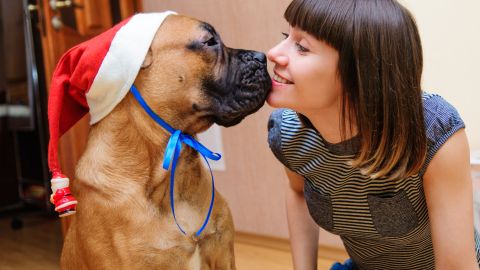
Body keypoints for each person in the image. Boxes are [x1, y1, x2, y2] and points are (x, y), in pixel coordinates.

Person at [266, 0, 480, 269]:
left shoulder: (433, 133)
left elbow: (456, 266)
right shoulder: (288, 132)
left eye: (302, 47)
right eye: (287, 37)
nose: (274, 53)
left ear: (359, 72)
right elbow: (297, 192)